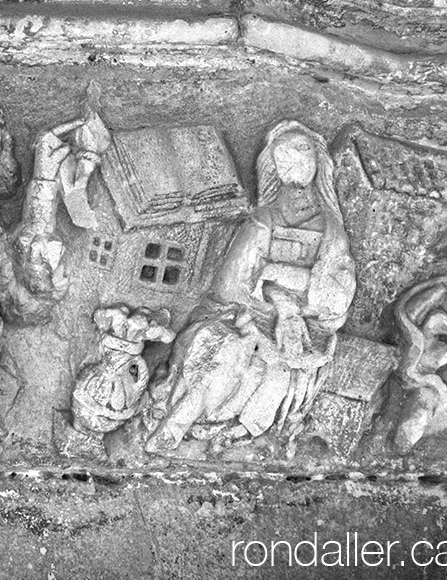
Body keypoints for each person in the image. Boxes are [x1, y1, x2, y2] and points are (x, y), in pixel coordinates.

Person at [145, 120, 356, 453]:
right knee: (228, 353)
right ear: (272, 166)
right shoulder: (262, 220)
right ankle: (177, 422)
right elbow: (232, 285)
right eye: (283, 156)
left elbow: (338, 296)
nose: (295, 162)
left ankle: (238, 433)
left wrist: (279, 276)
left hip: (299, 334)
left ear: (320, 160)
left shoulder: (331, 230)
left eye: (303, 151)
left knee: (274, 374)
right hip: (239, 316)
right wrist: (279, 295)